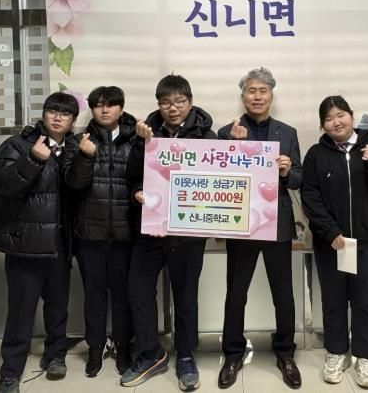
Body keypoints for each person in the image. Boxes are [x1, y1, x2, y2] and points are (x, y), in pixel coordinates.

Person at [120, 75, 216, 391]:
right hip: (150, 229)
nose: (172, 108)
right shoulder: (147, 133)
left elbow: (217, 180)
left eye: (178, 102)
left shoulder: (207, 136)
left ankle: (185, 354)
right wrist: (137, 191)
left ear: (190, 102)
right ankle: (151, 353)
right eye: (165, 103)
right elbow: (133, 177)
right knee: (138, 289)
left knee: (185, 295)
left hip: (188, 233)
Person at [301, 95, 368, 389]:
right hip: (331, 243)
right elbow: (310, 197)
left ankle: (365, 357)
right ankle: (336, 353)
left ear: (351, 116)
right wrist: (330, 232)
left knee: (365, 301)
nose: (336, 122)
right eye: (329, 118)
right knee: (333, 301)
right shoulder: (315, 155)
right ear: (322, 125)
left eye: (341, 115)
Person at [0, 92, 79, 393]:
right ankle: (10, 371)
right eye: (53, 111)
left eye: (65, 114)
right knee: (21, 311)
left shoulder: (74, 148)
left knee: (57, 306)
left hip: (59, 242)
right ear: (44, 114)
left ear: (73, 121)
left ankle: (55, 355)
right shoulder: (17, 145)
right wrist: (33, 160)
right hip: (25, 243)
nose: (58, 117)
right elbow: (2, 183)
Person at [217, 67, 303, 390]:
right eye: (251, 91)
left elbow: (299, 179)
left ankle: (285, 353)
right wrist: (235, 148)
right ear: (242, 97)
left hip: (277, 222)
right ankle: (232, 354)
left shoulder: (287, 133)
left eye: (262, 91)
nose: (257, 96)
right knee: (236, 292)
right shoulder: (226, 132)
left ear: (271, 96)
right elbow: (218, 178)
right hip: (240, 223)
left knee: (283, 293)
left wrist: (287, 171)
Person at [63, 86, 137, 378]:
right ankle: (95, 347)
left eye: (111, 104)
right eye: (98, 105)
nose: (104, 110)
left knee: (123, 295)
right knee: (93, 295)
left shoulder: (136, 140)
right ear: (91, 109)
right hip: (89, 233)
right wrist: (85, 156)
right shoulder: (78, 141)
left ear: (121, 107)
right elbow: (73, 183)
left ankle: (123, 345)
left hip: (125, 233)